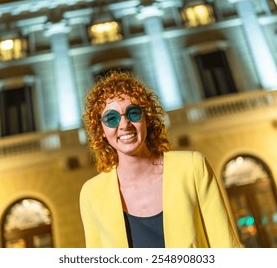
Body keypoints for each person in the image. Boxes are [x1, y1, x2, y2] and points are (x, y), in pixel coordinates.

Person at [80, 71, 241, 248]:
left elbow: (225, 246)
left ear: (146, 119)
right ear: (101, 130)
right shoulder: (91, 193)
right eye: (112, 118)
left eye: (133, 113)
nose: (124, 125)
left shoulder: (193, 167)